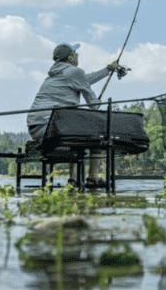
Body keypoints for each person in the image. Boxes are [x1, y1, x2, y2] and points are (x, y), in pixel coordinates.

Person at [27, 42, 119, 187]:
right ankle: (93, 178)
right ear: (70, 58)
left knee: (73, 127)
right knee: (99, 134)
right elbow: (94, 104)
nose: (78, 56)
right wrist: (97, 102)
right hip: (54, 128)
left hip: (35, 128)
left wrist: (107, 69)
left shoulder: (55, 75)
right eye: (76, 54)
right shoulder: (75, 73)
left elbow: (86, 79)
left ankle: (73, 179)